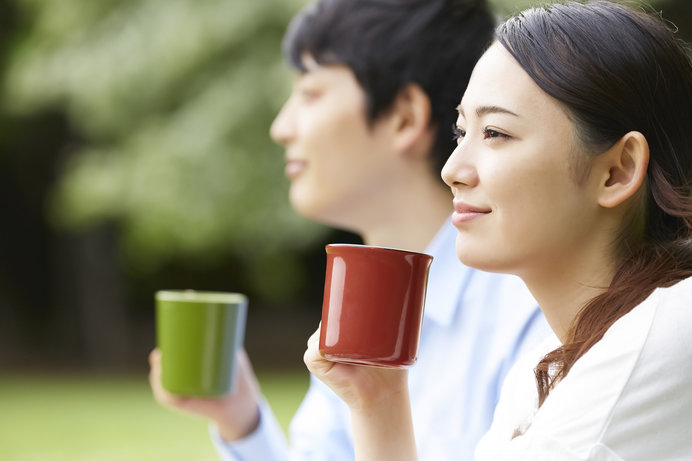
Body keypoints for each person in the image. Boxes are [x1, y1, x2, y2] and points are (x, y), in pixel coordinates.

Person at [150, 0, 551, 460]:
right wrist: (241, 420)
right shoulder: (355, 304)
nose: (281, 127)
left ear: (404, 117)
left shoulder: (530, 314)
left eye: (311, 93)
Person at [304, 0, 692, 459]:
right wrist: (378, 401)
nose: (453, 169)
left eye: (495, 133)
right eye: (460, 132)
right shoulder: (541, 371)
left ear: (617, 171)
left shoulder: (656, 341)